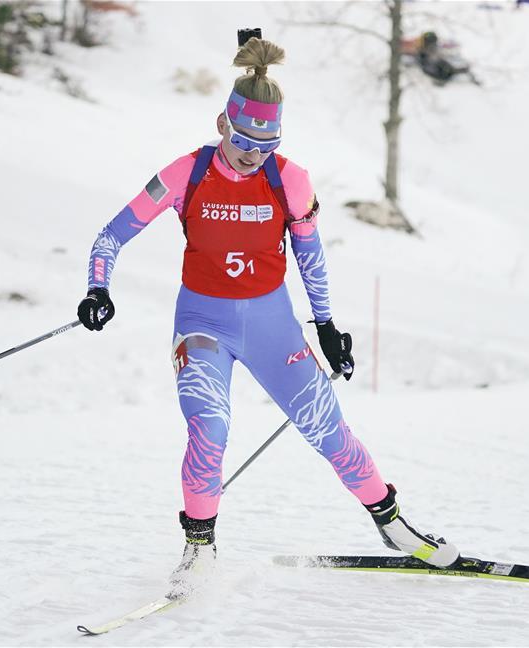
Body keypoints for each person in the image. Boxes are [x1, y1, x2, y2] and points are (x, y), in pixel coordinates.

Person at [76, 37, 461, 596]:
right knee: (210, 425)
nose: (252, 154)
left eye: (266, 143)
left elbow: (310, 254)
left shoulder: (289, 179)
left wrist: (326, 325)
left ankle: (393, 524)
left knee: (328, 429)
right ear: (222, 124)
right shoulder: (188, 171)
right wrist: (97, 288)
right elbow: (112, 235)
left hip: (271, 324)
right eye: (242, 140)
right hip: (203, 325)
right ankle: (198, 548)